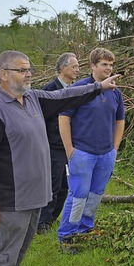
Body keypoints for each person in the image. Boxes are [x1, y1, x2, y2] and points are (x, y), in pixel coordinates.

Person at [0, 50, 119, 266]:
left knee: (21, 247)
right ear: (4, 75)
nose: (29, 74)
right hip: (9, 199)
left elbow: (66, 96)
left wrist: (98, 86)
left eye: (29, 69)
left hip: (36, 195)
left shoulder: (32, 99)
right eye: (22, 70)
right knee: (2, 252)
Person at [57, 47, 125, 254]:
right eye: (104, 64)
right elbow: (64, 118)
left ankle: (85, 229)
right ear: (93, 66)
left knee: (96, 194)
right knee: (79, 195)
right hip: (83, 153)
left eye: (111, 65)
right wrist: (70, 150)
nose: (108, 68)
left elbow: (120, 120)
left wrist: (114, 148)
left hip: (105, 154)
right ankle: (67, 235)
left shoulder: (115, 91)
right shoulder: (79, 88)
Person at [37, 52, 80, 234]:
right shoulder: (50, 91)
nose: (78, 70)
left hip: (67, 145)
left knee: (65, 185)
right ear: (63, 68)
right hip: (52, 146)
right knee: (52, 185)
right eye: (74, 66)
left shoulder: (73, 89)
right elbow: (40, 120)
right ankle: (42, 223)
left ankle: (53, 217)